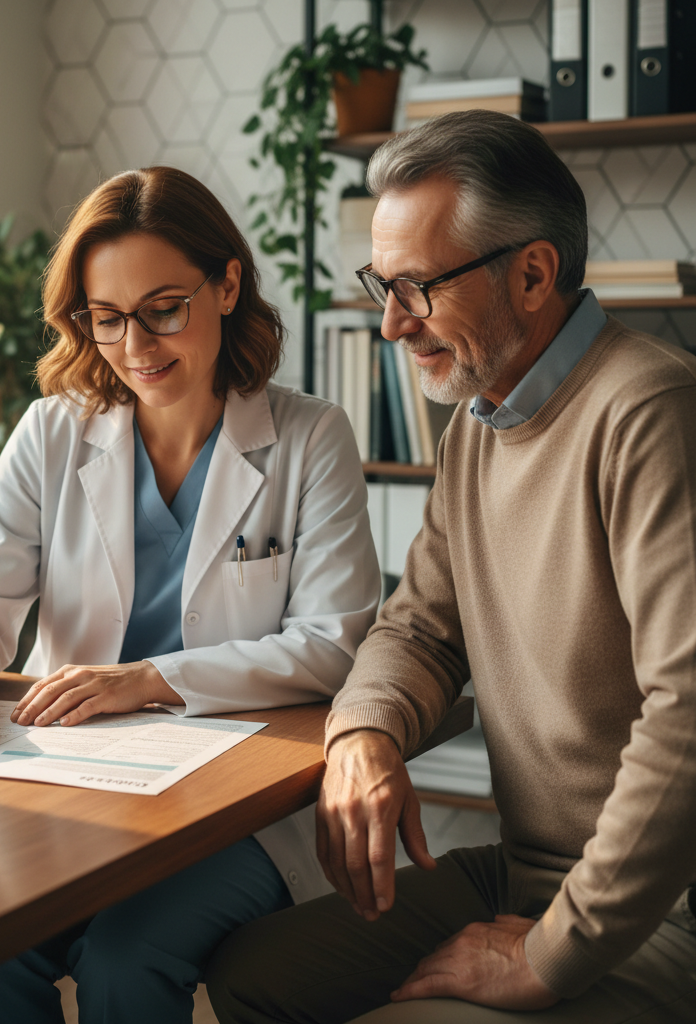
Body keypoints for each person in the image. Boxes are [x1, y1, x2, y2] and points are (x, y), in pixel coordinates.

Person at [206, 110, 696, 1023]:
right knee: (252, 975)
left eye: (418, 287)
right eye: (381, 285)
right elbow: (420, 629)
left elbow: (691, 710)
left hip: (664, 908)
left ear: (535, 272)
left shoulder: (649, 412)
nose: (391, 323)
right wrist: (365, 733)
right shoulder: (477, 427)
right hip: (526, 870)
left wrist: (552, 957)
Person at [0, 166, 380, 1024]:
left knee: (125, 956)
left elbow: (335, 642)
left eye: (163, 308)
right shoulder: (55, 431)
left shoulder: (309, 438)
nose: (137, 346)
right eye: (106, 318)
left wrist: (148, 679)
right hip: (73, 783)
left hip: (238, 801)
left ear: (227, 285)